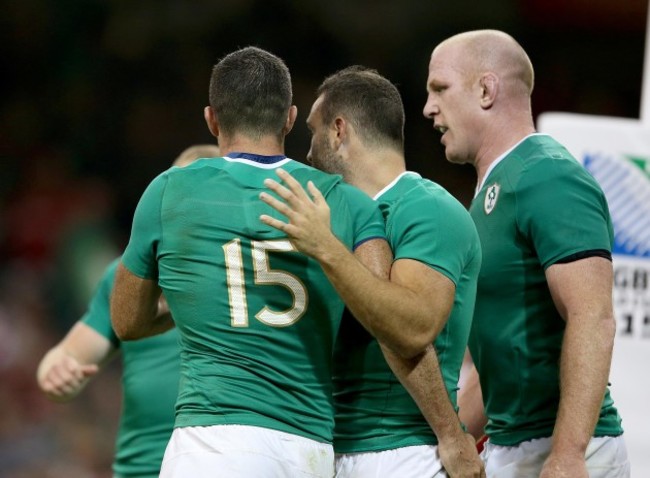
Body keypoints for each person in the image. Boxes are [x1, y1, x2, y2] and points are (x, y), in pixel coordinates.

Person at [109, 46, 391, 478]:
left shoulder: (168, 191)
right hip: (308, 446)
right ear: (291, 118)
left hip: (210, 444)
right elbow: (385, 317)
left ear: (212, 119)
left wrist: (202, 299)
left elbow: (126, 320)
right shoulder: (347, 202)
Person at [422, 29, 630, 477]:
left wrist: (569, 453)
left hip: (565, 450)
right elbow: (490, 371)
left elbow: (592, 316)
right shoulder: (485, 199)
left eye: (440, 88)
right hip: (512, 446)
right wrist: (445, 441)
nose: (428, 108)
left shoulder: (547, 175)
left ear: (485, 89)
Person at [260, 66, 484, 477]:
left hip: (401, 452)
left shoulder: (426, 209)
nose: (306, 153)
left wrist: (452, 434)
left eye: (313, 131)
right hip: (327, 447)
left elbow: (411, 330)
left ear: (339, 131)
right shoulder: (332, 217)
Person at [36, 144, 222, 478]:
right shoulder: (127, 277)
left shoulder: (254, 278)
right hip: (141, 468)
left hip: (223, 464)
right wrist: (55, 371)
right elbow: (67, 355)